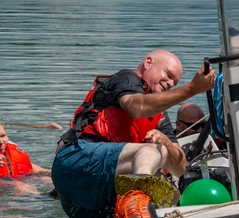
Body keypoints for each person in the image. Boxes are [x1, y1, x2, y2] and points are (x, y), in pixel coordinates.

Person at [52, 49, 216, 218]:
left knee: (163, 149)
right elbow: (136, 107)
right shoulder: (127, 79)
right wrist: (191, 89)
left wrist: (166, 142)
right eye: (168, 75)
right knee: (150, 151)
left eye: (175, 82)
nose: (170, 84)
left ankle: (134, 202)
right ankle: (136, 201)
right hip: (77, 160)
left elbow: (180, 170)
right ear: (148, 63)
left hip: (95, 195)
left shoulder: (160, 117)